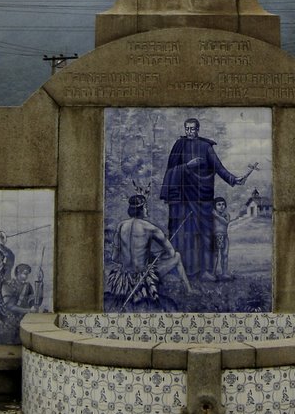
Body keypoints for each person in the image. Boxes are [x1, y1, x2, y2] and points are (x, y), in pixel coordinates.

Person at [159, 118, 253, 278]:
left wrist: (233, 179)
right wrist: (187, 166)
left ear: (198, 129)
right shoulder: (178, 145)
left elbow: (218, 167)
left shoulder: (206, 147)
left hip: (202, 198)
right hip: (182, 198)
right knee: (183, 233)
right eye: (187, 129)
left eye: (193, 129)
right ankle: (180, 270)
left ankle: (205, 271)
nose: (190, 132)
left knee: (205, 233)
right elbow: (170, 171)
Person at [107, 194, 192, 309]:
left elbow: (115, 258)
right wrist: (155, 255)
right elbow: (171, 252)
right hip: (143, 277)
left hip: (124, 277)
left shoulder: (121, 226)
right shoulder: (150, 228)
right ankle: (189, 290)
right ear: (142, 209)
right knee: (177, 256)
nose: (146, 210)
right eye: (145, 207)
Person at [212, 197, 231, 281]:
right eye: (219, 204)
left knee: (225, 255)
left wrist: (216, 216)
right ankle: (212, 273)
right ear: (215, 206)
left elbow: (226, 222)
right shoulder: (212, 215)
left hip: (225, 236)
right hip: (216, 236)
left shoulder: (226, 215)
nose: (221, 206)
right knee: (215, 255)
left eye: (223, 204)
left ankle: (224, 273)